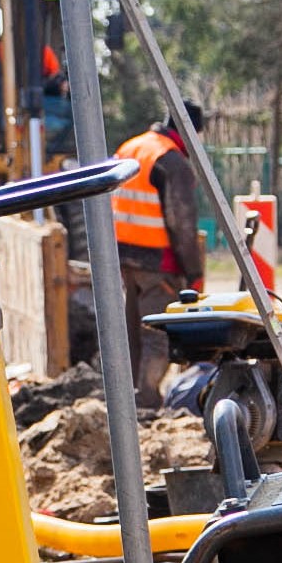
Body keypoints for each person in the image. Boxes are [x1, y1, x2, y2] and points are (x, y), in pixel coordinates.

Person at [114, 100, 206, 408]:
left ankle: (130, 399)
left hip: (123, 257)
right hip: (158, 262)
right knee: (159, 333)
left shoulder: (130, 148)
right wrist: (193, 271)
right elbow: (182, 223)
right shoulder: (172, 161)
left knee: (133, 333)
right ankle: (147, 400)